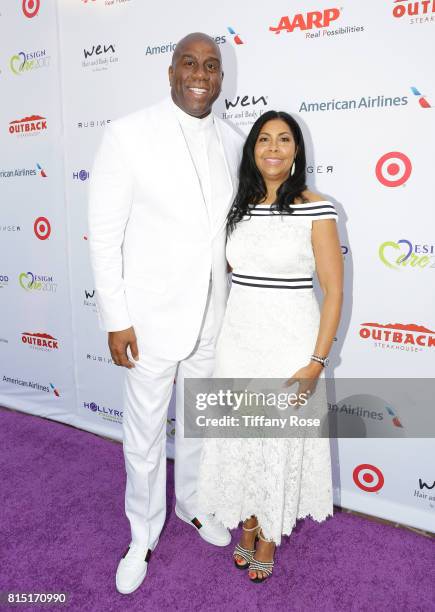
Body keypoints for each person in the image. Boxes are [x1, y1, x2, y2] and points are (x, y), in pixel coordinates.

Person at [88, 32, 243, 594]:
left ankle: (193, 504)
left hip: (213, 315)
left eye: (211, 66)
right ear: (171, 71)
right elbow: (104, 239)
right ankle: (142, 531)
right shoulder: (127, 135)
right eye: (189, 63)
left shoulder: (232, 139)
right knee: (145, 435)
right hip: (149, 320)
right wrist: (115, 317)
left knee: (202, 420)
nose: (200, 74)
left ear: (221, 79)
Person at [197, 110, 343, 582]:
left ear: (296, 150)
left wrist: (316, 361)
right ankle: (249, 517)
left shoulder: (316, 207)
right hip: (238, 338)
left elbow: (334, 291)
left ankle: (269, 534)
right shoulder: (237, 204)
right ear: (252, 148)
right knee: (242, 435)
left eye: (284, 140)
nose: (273, 148)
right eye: (264, 139)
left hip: (290, 341)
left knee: (277, 439)